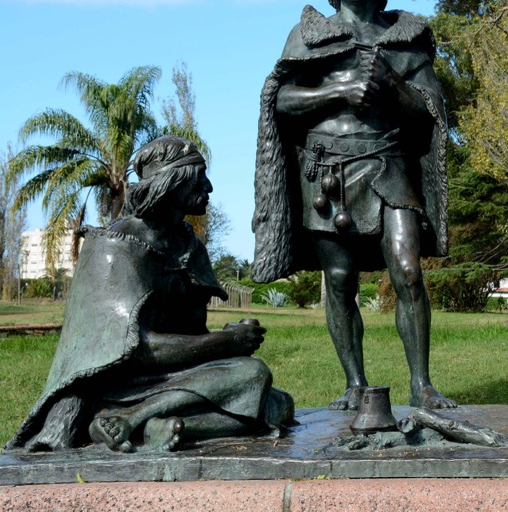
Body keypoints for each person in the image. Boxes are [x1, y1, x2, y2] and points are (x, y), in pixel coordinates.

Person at [252, 0, 454, 409]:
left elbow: (429, 111)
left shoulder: (405, 38)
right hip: (328, 174)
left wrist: (392, 83)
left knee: (408, 269)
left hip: (388, 164)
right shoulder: (309, 36)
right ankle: (355, 384)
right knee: (340, 279)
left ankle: (422, 384)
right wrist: (340, 89)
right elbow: (280, 102)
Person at [7, 136, 294, 453]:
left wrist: (227, 337)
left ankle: (163, 428)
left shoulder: (188, 244)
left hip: (177, 377)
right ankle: (130, 416)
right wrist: (225, 342)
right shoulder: (116, 247)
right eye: (199, 178)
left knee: (278, 405)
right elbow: (136, 348)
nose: (209, 187)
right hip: (125, 385)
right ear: (172, 183)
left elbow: (191, 335)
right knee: (254, 374)